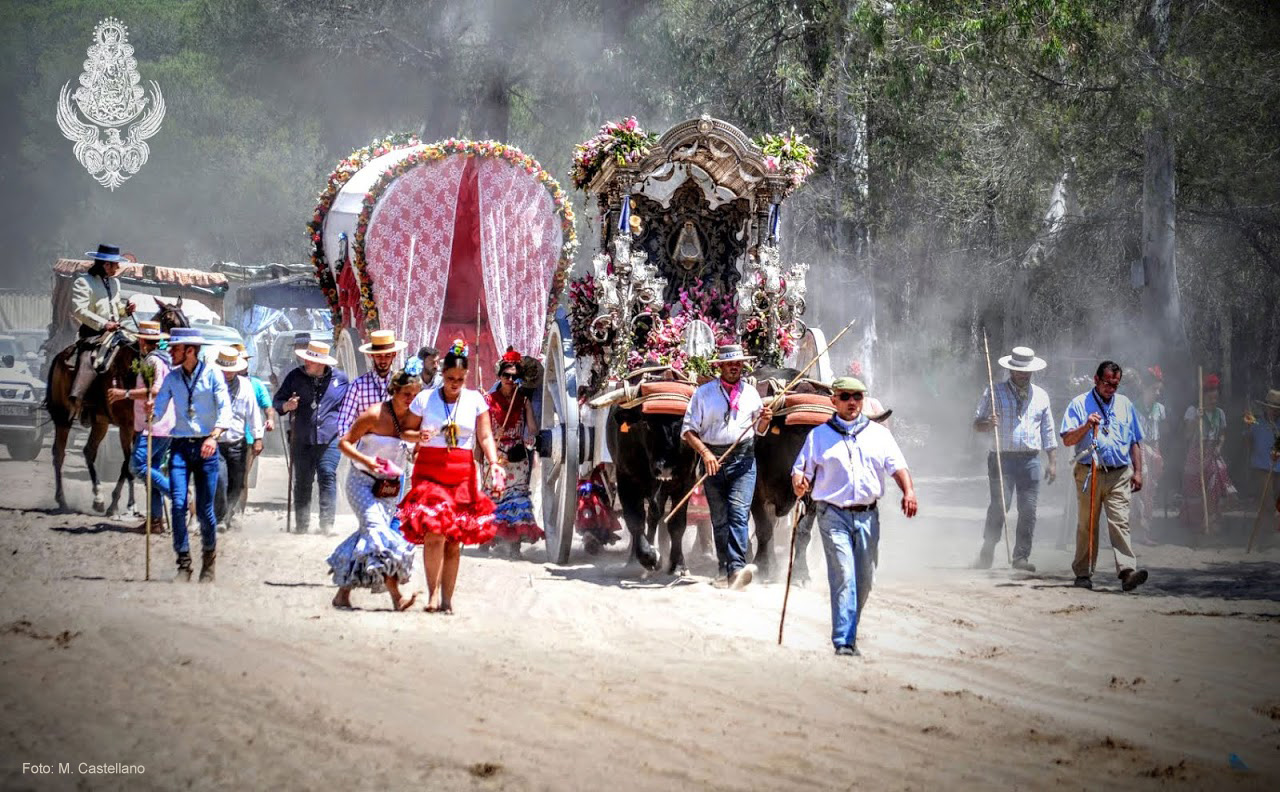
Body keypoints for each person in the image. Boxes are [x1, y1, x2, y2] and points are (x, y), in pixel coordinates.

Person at [791, 376, 917, 657]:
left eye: (857, 397)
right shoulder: (818, 436)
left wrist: (908, 491)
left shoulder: (880, 435)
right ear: (834, 400)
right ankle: (844, 642)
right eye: (846, 397)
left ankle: (850, 629)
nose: (852, 402)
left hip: (868, 515)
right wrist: (799, 482)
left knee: (865, 579)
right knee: (844, 575)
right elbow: (800, 471)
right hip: (832, 514)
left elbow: (897, 466)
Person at [398, 340, 505, 613]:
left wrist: (494, 463)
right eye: (449, 378)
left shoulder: (475, 400)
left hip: (462, 473)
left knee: (454, 540)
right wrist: (418, 436)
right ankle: (432, 594)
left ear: (466, 376)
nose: (454, 383)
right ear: (441, 375)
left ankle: (447, 599)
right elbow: (404, 431)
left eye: (459, 379)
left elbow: (484, 436)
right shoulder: (425, 399)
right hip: (430, 472)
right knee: (434, 532)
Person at [328, 362, 423, 611]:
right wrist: (366, 460)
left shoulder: (414, 418)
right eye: (406, 395)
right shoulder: (373, 414)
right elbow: (344, 443)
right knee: (378, 532)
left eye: (415, 396)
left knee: (369, 536)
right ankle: (396, 597)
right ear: (394, 391)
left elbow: (412, 447)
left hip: (390, 487)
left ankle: (342, 594)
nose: (411, 400)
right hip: (362, 482)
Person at [681, 343, 773, 589]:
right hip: (713, 461)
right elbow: (688, 431)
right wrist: (706, 455)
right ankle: (724, 568)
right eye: (730, 363)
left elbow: (759, 432)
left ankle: (736, 568)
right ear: (720, 366)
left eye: (738, 363)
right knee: (720, 518)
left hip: (743, 459)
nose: (735, 367)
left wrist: (764, 421)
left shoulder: (752, 394)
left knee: (738, 513)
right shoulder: (703, 394)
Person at [149, 328, 231, 582]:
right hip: (181, 446)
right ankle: (183, 563)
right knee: (178, 504)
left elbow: (224, 409)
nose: (170, 352)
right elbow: (160, 408)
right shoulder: (172, 378)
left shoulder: (213, 374)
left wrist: (213, 436)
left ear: (190, 351)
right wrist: (151, 413)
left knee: (206, 509)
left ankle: (209, 561)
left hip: (207, 445)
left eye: (174, 348)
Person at [1060, 361, 1148, 591]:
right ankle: (1083, 573)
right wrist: (1086, 426)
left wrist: (1138, 471)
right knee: (1087, 524)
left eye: (1115, 384)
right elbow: (1068, 439)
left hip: (1119, 474)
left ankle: (1127, 571)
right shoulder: (1079, 404)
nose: (1111, 388)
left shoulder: (1126, 404)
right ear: (1096, 380)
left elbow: (1135, 440)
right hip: (1089, 472)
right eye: (1107, 383)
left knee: (1120, 522)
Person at [972, 346, 1058, 571]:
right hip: (1002, 458)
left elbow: (1048, 430)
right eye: (1019, 370)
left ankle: (1021, 557)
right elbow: (976, 425)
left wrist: (1052, 461)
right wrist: (989, 424)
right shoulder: (994, 391)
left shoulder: (1041, 395)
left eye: (1027, 370)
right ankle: (988, 549)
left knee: (1029, 509)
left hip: (1031, 459)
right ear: (1011, 370)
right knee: (1000, 506)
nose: (1023, 374)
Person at [273, 340, 350, 535]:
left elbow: (349, 405)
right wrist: (287, 406)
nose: (306, 362)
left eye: (311, 360)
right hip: (302, 437)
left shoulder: (340, 379)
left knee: (327, 475)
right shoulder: (294, 376)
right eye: (306, 359)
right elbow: (278, 401)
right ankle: (302, 524)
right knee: (303, 480)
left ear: (323, 363)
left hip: (330, 437)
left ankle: (327, 524)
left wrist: (347, 428)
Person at [106, 319, 174, 533]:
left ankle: (179, 495)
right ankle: (155, 522)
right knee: (150, 472)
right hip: (161, 425)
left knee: (138, 466)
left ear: (143, 341)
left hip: (154, 426)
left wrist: (123, 393)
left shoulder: (152, 361)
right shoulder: (162, 359)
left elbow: (156, 390)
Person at [486, 347, 542, 556]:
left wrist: (528, 412)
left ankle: (514, 543)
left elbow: (533, 429)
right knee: (496, 496)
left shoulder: (523, 400)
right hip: (495, 454)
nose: (509, 380)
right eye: (505, 375)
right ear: (499, 376)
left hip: (517, 456)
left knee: (516, 497)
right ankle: (491, 537)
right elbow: (481, 432)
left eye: (513, 376)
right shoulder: (489, 401)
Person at [69, 244, 134, 415]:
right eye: (115, 264)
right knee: (89, 360)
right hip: (93, 334)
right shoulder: (83, 282)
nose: (118, 268)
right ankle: (79, 398)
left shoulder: (115, 283)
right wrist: (103, 324)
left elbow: (116, 308)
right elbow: (79, 310)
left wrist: (125, 311)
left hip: (114, 333)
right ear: (106, 265)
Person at [211, 347, 263, 531]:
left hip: (237, 441)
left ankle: (228, 515)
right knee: (220, 479)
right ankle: (220, 517)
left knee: (237, 482)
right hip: (216, 441)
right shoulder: (212, 383)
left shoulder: (246, 385)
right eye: (225, 368)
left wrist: (258, 437)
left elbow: (253, 412)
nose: (228, 372)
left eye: (231, 368)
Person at [1180, 373, 1235, 535]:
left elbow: (1223, 434)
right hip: (1196, 453)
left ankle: (1211, 519)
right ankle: (1196, 521)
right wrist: (1197, 419)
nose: (1213, 401)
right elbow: (1186, 435)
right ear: (1203, 397)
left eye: (1215, 398)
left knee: (1214, 484)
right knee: (1194, 488)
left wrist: (1219, 446)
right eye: (1210, 398)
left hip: (1212, 453)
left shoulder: (1220, 413)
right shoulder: (1193, 411)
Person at [339, 330, 407, 436]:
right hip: (366, 446)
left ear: (394, 355)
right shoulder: (358, 386)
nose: (383, 360)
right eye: (379, 356)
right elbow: (344, 421)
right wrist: (349, 445)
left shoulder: (402, 384)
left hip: (395, 445)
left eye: (387, 356)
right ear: (372, 356)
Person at [233, 344, 275, 517]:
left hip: (248, 438)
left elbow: (268, 407)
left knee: (241, 478)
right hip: (226, 436)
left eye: (244, 361)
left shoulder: (256, 385)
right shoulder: (220, 382)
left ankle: (236, 513)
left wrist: (270, 419)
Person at [1132, 368, 1167, 544]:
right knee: (1140, 490)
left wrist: (1158, 454)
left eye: (1159, 389)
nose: (1157, 393)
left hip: (1153, 451)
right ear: (1144, 388)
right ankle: (1139, 531)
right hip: (1138, 450)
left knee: (1151, 490)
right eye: (1154, 389)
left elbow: (1158, 434)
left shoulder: (1159, 409)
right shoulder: (1133, 408)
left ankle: (1146, 529)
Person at [1243, 388, 1280, 499]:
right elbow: (1247, 444)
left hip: (1278, 468)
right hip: (1261, 468)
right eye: (1271, 408)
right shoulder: (1256, 423)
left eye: (1277, 409)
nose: (1273, 412)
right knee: (1267, 502)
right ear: (1266, 407)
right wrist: (1248, 429)